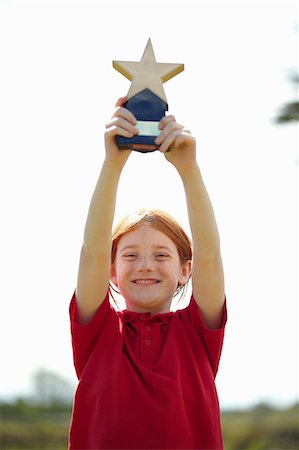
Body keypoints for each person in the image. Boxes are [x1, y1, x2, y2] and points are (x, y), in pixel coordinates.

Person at [68, 97, 227, 449]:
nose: (145, 265)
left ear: (186, 271)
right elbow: (92, 252)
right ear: (111, 271)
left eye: (161, 255)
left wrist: (189, 169)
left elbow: (211, 257)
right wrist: (113, 164)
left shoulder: (197, 332)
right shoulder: (98, 331)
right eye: (130, 255)